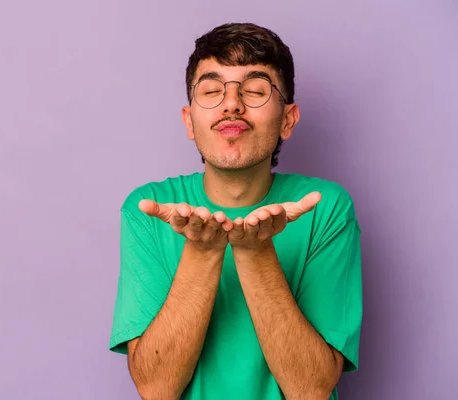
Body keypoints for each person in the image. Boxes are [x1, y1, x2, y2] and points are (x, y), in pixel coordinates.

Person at [108, 22, 362, 400]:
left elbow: (311, 391)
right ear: (189, 121)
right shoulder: (147, 209)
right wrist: (203, 250)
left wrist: (255, 252)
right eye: (211, 90)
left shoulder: (326, 209)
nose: (231, 103)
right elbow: (156, 389)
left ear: (288, 119)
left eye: (256, 90)